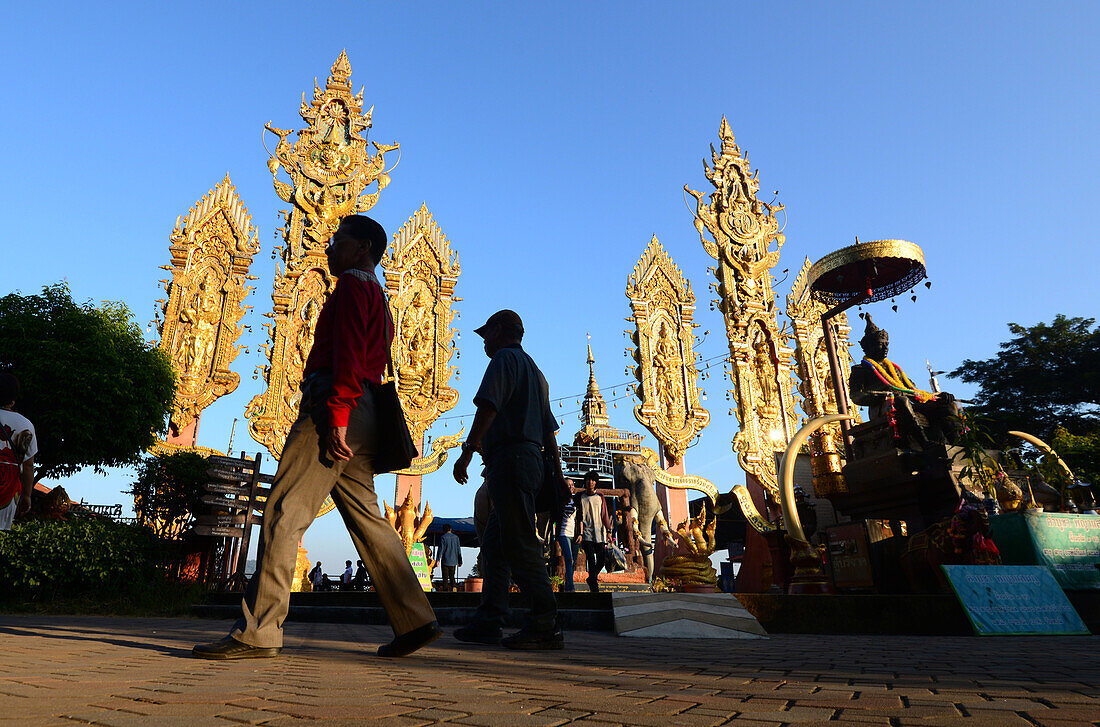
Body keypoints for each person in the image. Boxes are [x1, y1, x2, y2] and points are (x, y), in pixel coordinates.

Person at [193, 214, 440, 661]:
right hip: (365, 410)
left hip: (335, 404)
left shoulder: (350, 287)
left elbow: (347, 353)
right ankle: (416, 617)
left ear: (362, 247)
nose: (328, 248)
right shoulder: (380, 297)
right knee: (368, 516)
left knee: (285, 510)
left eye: (337, 240)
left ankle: (260, 630)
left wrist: (337, 415)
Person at [452, 309, 567, 650]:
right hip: (530, 461)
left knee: (519, 543)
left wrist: (469, 450)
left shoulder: (504, 359)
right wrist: (557, 475)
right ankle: (489, 620)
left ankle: (545, 623)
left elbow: (488, 406)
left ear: (499, 330)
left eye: (487, 334)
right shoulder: (536, 371)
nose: (485, 342)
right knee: (494, 545)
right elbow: (549, 431)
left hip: (512, 459)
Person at [0, 373, 36, 531]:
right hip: (10, 487)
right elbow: (28, 466)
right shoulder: (26, 425)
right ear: (13, 398)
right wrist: (27, 495)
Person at [576, 471, 612, 593]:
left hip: (599, 532)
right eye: (588, 480)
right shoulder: (580, 497)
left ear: (596, 482)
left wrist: (609, 530)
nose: (590, 482)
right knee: (590, 559)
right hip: (586, 532)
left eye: (592, 480)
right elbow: (578, 516)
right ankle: (594, 587)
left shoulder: (600, 497)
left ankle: (591, 578)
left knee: (601, 559)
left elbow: (604, 514)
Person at [556, 480, 577, 592]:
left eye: (572, 485)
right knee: (569, 559)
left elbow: (579, 518)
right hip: (563, 533)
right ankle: (570, 587)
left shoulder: (575, 501)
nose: (570, 487)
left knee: (574, 561)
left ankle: (568, 582)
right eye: (568, 485)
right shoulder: (560, 501)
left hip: (574, 534)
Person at [437, 523, 462, 592]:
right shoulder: (456, 537)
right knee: (452, 576)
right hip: (454, 561)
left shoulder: (443, 538)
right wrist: (460, 561)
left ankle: (445, 590)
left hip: (445, 561)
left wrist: (438, 560)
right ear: (451, 529)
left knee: (445, 578)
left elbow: (440, 550)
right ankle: (453, 587)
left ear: (443, 530)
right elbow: (458, 550)